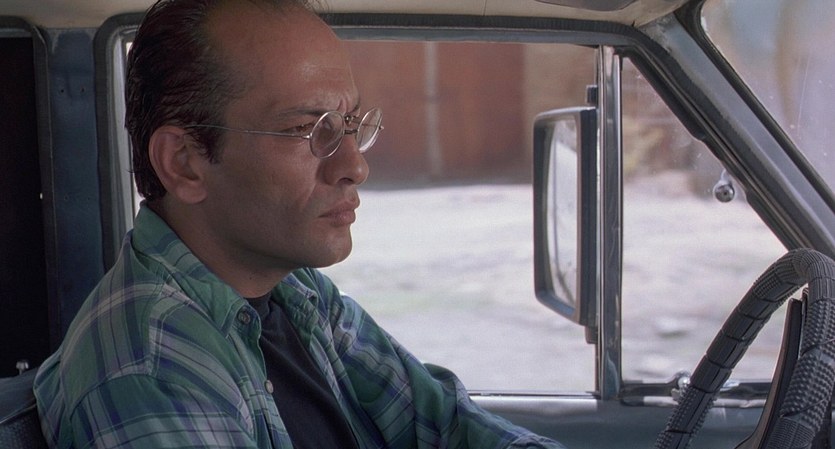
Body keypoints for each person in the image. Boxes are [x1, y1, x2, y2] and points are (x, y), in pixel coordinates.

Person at [33, 0, 566, 447]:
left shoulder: (296, 292)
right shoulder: (152, 374)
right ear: (185, 163)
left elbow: (443, 424)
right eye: (306, 130)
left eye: (350, 123)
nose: (354, 166)